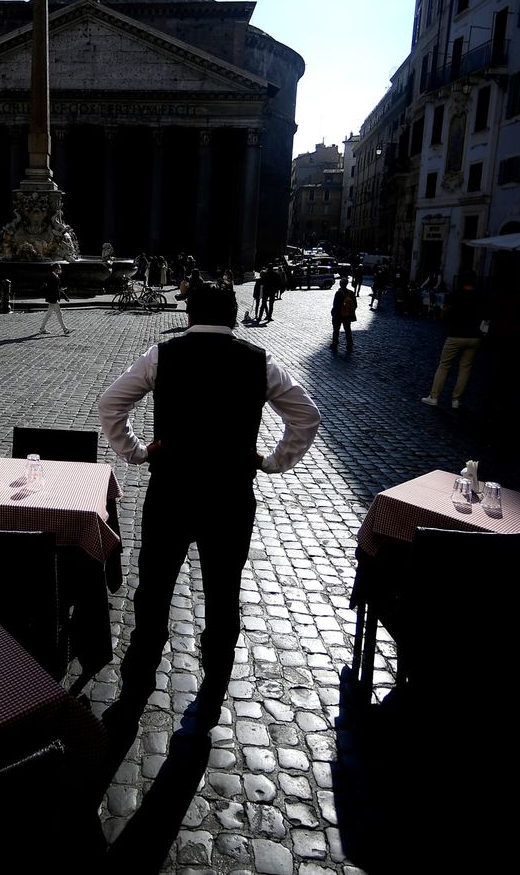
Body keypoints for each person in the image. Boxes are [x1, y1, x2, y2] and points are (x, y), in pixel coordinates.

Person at [97, 282, 320, 734]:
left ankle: (138, 680)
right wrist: (273, 462)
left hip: (171, 493)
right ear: (234, 315)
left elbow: (110, 405)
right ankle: (216, 679)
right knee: (223, 592)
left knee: (155, 588)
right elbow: (306, 415)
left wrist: (138, 452)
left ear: (190, 313)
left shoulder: (163, 355)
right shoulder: (260, 362)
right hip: (230, 496)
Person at [422, 269, 486, 409]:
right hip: (474, 336)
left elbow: (445, 312)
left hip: (456, 335)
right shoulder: (480, 296)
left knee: (444, 365)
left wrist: (444, 317)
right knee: (465, 368)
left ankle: (434, 396)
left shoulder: (455, 295)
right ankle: (456, 400)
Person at [38, 262, 70, 335]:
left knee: (48, 314)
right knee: (59, 313)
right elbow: (54, 289)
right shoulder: (52, 277)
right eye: (59, 268)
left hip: (52, 298)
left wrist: (64, 296)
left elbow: (57, 288)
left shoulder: (55, 277)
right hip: (53, 298)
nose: (60, 270)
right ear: (55, 269)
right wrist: (62, 293)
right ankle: (65, 329)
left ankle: (42, 329)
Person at [331, 275, 358, 353]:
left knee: (336, 329)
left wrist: (333, 313)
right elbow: (355, 305)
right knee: (347, 330)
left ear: (340, 284)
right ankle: (349, 343)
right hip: (347, 315)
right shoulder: (351, 293)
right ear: (346, 284)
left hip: (338, 315)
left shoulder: (338, 293)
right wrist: (349, 312)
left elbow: (335, 305)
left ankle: (335, 343)